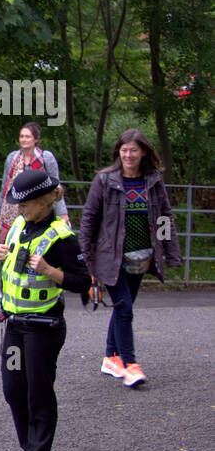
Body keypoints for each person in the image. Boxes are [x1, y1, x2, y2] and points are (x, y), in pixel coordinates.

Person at [0, 169, 90, 451]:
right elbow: (15, 270)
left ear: (43, 201)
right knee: (13, 390)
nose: (19, 209)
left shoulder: (62, 237)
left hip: (43, 326)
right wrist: (2, 255)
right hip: (14, 324)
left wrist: (51, 271)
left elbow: (83, 282)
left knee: (39, 393)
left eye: (24, 204)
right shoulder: (21, 226)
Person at [78, 129, 182, 388]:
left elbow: (163, 218)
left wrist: (170, 253)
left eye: (133, 150)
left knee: (124, 307)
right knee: (124, 308)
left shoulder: (153, 181)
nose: (128, 154)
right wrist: (85, 258)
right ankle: (130, 365)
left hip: (142, 256)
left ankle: (110, 357)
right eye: (124, 150)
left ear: (143, 152)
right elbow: (89, 219)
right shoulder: (104, 180)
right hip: (110, 257)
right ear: (118, 152)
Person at [0, 122, 69, 239]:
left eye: (27, 136)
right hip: (13, 209)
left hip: (39, 208)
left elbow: (56, 187)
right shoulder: (12, 158)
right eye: (22, 136)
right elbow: (5, 187)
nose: (24, 139)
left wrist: (62, 213)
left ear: (36, 139)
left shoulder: (46, 158)